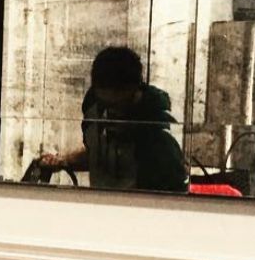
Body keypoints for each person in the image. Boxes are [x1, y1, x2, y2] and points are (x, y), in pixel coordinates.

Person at [40, 46, 187, 193]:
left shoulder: (160, 140)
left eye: (122, 106)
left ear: (136, 90)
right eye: (106, 105)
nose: (113, 115)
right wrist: (64, 161)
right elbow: (97, 154)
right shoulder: (93, 109)